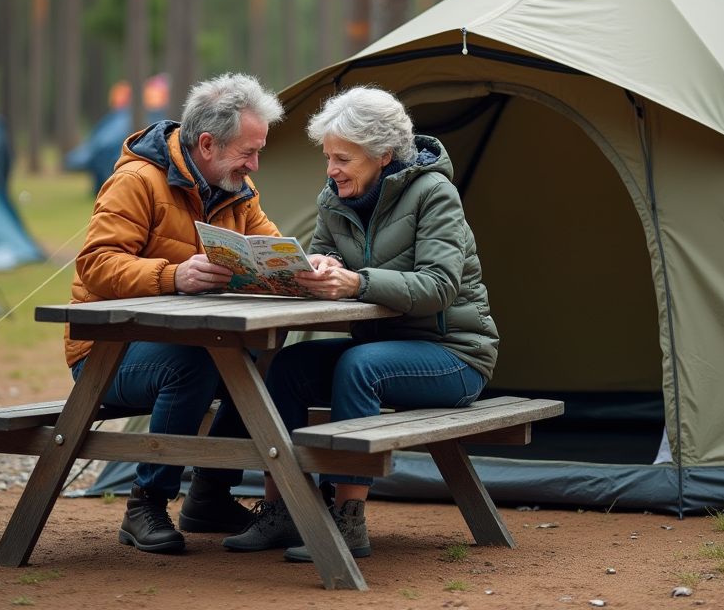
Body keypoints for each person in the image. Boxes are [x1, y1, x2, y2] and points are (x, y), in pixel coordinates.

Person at [221, 86, 500, 562]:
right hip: (381, 345)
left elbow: (439, 286)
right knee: (285, 368)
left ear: (383, 154)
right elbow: (324, 253)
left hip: (454, 355)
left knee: (359, 366)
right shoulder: (334, 200)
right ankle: (285, 508)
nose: (331, 170)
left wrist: (358, 282)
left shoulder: (435, 194)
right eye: (328, 157)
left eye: (343, 159)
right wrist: (317, 266)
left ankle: (348, 518)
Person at [67, 73, 285, 554]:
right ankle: (145, 503)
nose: (254, 165)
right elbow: (96, 265)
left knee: (267, 357)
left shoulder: (237, 189)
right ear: (207, 144)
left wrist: (306, 268)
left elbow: (269, 251)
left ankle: (209, 495)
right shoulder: (136, 181)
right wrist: (173, 276)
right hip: (104, 352)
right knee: (193, 363)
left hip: (185, 344)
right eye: (248, 152)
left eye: (258, 152)